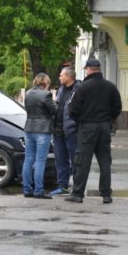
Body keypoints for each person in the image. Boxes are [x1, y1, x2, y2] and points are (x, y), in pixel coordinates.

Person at [65, 58, 122, 204]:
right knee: (104, 161)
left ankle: (77, 194)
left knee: (82, 161)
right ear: (99, 69)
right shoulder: (110, 86)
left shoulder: (83, 87)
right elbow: (117, 107)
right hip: (104, 127)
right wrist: (109, 119)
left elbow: (73, 109)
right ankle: (106, 195)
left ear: (89, 69)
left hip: (87, 127)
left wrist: (79, 122)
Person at [22, 73, 57, 199]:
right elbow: (54, 110)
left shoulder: (27, 93)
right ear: (46, 82)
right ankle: (38, 191)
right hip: (43, 129)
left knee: (28, 160)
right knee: (40, 160)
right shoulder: (46, 94)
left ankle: (27, 189)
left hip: (29, 128)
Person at [50, 67, 82, 196]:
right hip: (58, 130)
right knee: (61, 159)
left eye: (61, 75)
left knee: (76, 159)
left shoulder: (79, 89)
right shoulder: (61, 89)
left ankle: (77, 187)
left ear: (69, 77)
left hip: (72, 130)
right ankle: (62, 185)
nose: (59, 77)